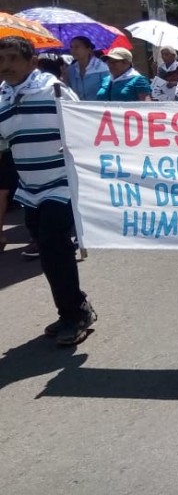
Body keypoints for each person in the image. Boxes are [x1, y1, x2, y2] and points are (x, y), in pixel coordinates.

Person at [0, 36, 96, 345]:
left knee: (54, 247)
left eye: (14, 58)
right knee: (49, 252)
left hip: (61, 184)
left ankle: (74, 315)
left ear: (31, 62)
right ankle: (74, 306)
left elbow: (83, 127)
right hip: (30, 188)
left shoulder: (54, 90)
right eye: (2, 60)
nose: (6, 65)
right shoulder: (0, 97)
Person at [66, 35, 109, 101]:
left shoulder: (102, 68)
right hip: (77, 109)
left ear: (88, 50)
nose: (73, 50)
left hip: (98, 108)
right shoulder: (70, 70)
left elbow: (107, 91)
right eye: (71, 47)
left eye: (77, 47)